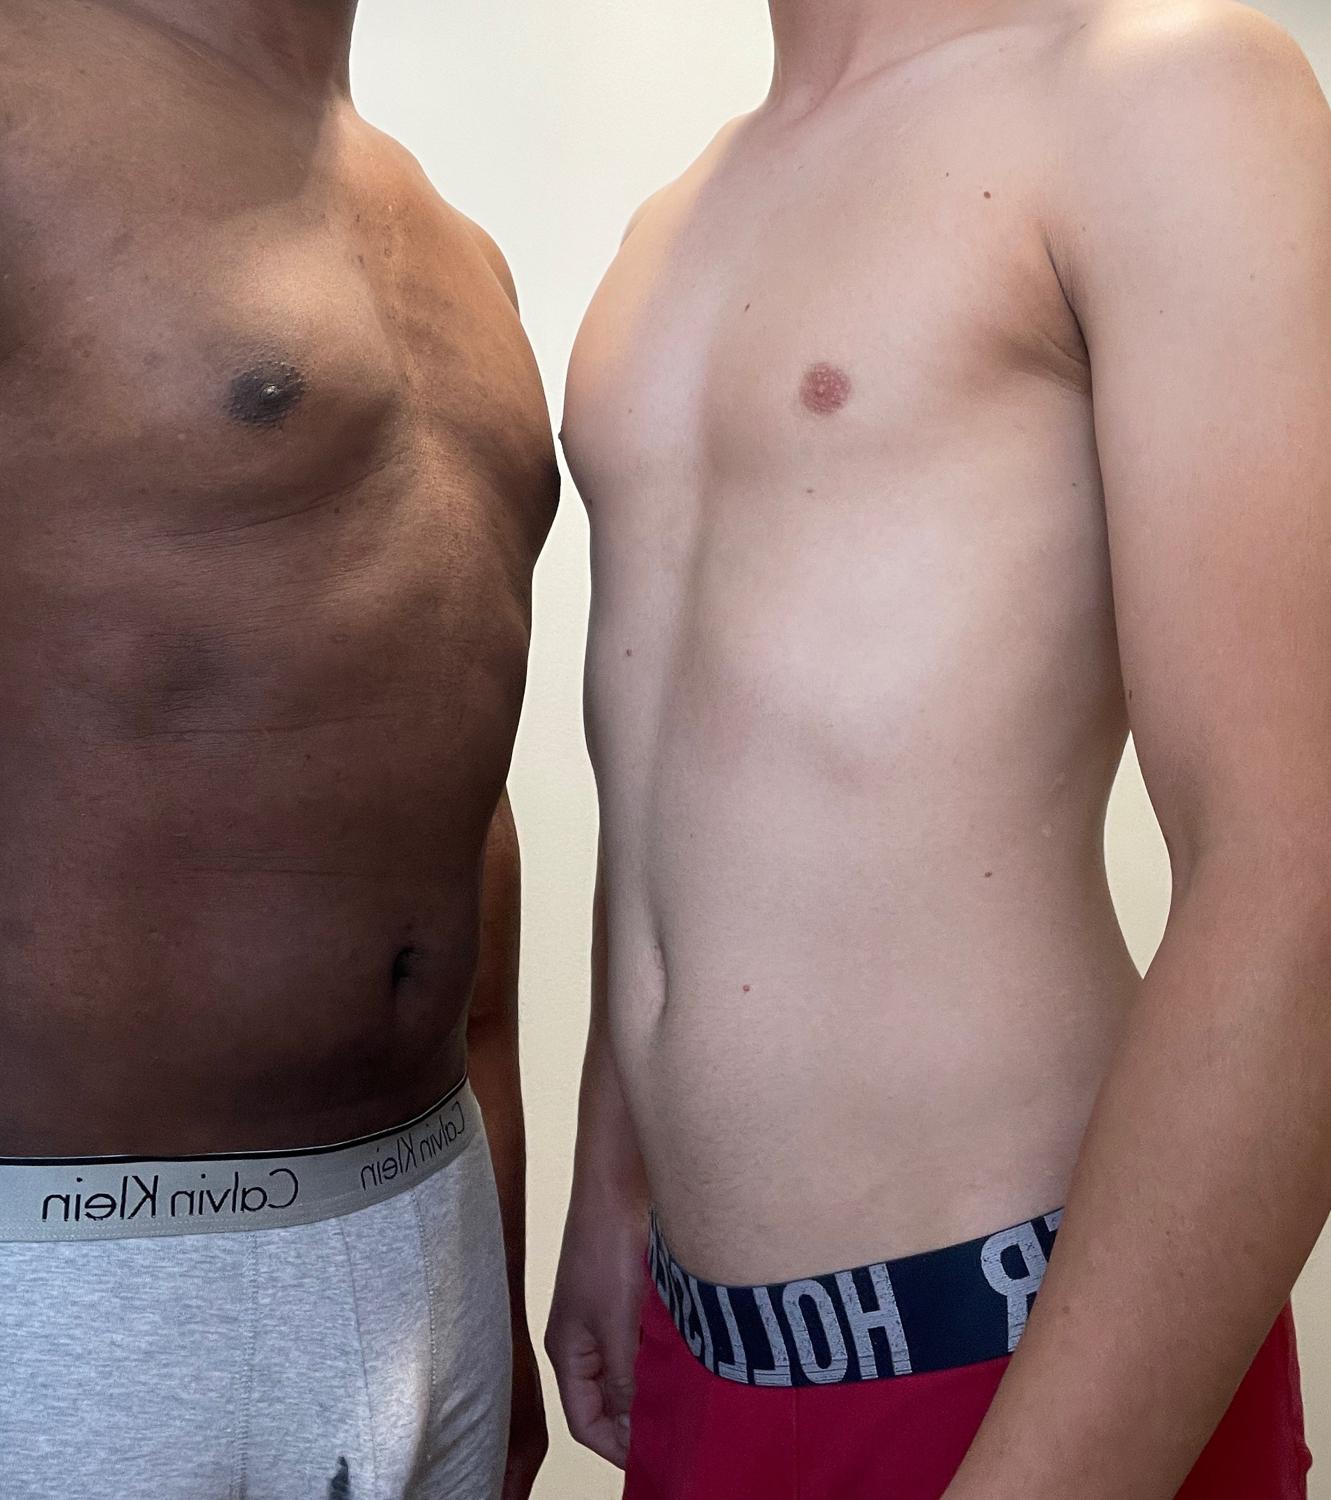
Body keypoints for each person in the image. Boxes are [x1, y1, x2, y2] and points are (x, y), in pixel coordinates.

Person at [547, 1, 1331, 1495]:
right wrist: (612, 1173)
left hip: (1027, 1351)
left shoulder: (1164, 90)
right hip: (700, 1347)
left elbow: (1299, 871)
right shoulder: (675, 216)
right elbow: (674, 749)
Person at [0, 3, 557, 1497]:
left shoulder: (456, 245)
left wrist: (495, 1279)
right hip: (75, 1271)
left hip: (430, 1228)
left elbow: (453, 795)